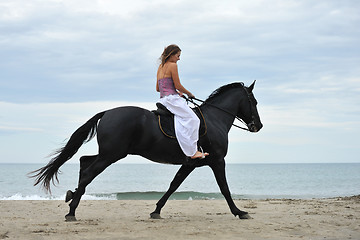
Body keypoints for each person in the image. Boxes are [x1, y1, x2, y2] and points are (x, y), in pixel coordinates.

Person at [156, 44, 209, 159]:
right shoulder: (173, 65)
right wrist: (189, 93)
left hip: (163, 99)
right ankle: (192, 152)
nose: (179, 58)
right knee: (194, 120)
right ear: (171, 55)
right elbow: (178, 85)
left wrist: (174, 90)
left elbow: (157, 88)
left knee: (182, 118)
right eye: (178, 56)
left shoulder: (161, 66)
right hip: (172, 100)